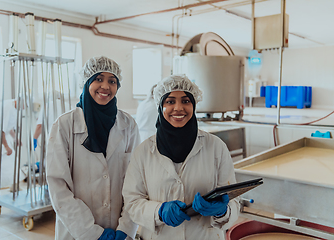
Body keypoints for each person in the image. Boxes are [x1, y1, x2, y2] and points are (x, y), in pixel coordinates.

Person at [122, 74, 240, 240]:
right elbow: (132, 202)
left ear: (194, 105)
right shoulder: (143, 152)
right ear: (160, 106)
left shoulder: (216, 147)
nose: (178, 108)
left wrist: (222, 211)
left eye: (185, 101)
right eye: (170, 101)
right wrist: (159, 212)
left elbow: (234, 201)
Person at [46, 56, 140, 240]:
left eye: (112, 81)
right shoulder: (65, 125)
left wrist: (127, 227)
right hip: (77, 231)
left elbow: (136, 182)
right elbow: (58, 185)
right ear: (87, 82)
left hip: (119, 229)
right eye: (98, 79)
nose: (105, 86)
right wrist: (90, 232)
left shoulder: (128, 125)